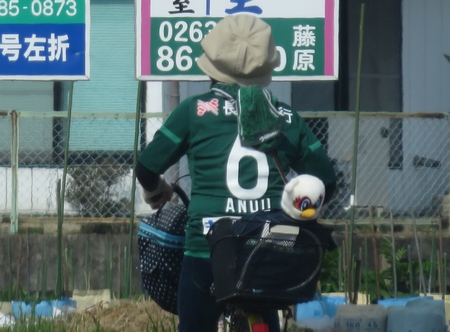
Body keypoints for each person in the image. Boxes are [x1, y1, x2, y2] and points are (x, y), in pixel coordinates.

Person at [135, 14, 337, 332]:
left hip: (208, 248)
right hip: (271, 247)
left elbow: (146, 167)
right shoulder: (286, 117)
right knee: (264, 308)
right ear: (266, 66)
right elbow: (327, 181)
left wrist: (156, 188)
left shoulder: (193, 111)